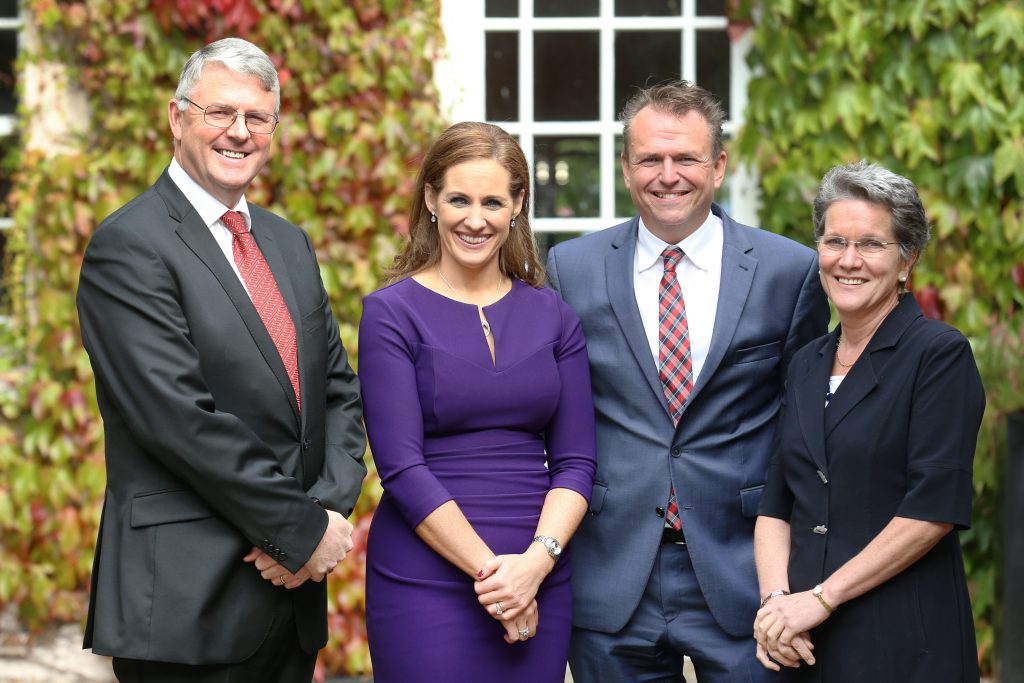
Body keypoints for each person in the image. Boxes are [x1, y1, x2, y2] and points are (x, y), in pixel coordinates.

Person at [76, 38, 367, 683]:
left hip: (289, 603)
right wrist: (297, 529)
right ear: (178, 119)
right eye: (220, 113)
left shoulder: (288, 243)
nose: (240, 133)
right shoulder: (129, 247)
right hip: (186, 606)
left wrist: (326, 515)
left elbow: (338, 394)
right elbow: (179, 421)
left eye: (257, 118)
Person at [546, 80, 830, 682]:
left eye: (686, 158)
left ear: (719, 165)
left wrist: (798, 577)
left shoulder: (790, 271)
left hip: (745, 572)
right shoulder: (571, 269)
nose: (667, 174)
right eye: (649, 158)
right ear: (626, 168)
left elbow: (804, 429)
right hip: (613, 571)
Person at [359, 121, 597, 682]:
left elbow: (576, 463)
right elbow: (400, 467)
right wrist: (500, 581)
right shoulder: (391, 313)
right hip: (426, 576)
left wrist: (535, 567)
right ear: (431, 201)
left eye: (493, 201)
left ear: (517, 205)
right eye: (459, 199)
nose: (475, 218)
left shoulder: (555, 316)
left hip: (541, 570)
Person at [753, 161, 984, 681]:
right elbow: (776, 502)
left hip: (904, 640)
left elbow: (933, 508)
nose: (848, 261)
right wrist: (776, 608)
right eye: (835, 242)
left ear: (907, 261)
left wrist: (821, 597)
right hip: (804, 643)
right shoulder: (808, 361)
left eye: (871, 245)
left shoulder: (938, 355)